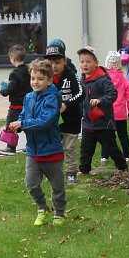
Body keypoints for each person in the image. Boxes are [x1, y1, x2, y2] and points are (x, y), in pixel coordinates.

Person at [8, 59, 66, 226]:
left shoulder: (52, 98)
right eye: (33, 78)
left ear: (49, 80)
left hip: (51, 149)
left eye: (40, 79)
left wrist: (24, 123)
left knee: (57, 185)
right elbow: (24, 114)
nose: (35, 82)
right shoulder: (28, 97)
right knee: (31, 184)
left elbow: (46, 120)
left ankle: (59, 213)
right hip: (33, 150)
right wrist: (18, 124)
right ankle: (42, 208)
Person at [77, 46, 127, 175]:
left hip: (103, 122)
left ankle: (122, 167)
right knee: (86, 148)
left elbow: (113, 94)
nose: (85, 64)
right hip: (88, 122)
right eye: (82, 62)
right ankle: (84, 169)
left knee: (111, 146)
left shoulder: (103, 79)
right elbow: (82, 98)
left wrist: (100, 100)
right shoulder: (82, 79)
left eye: (88, 61)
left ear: (96, 63)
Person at [44, 38, 83, 184]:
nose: (54, 66)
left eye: (57, 62)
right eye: (50, 63)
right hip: (54, 120)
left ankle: (71, 172)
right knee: (53, 147)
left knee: (69, 147)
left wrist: (67, 104)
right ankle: (53, 173)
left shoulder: (71, 75)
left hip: (72, 120)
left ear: (64, 61)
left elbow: (81, 93)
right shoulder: (46, 77)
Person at [102, 50, 129, 162]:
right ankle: (127, 156)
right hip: (120, 113)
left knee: (107, 135)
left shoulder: (104, 79)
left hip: (107, 113)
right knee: (123, 135)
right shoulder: (124, 80)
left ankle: (104, 156)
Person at [0, 44, 31, 155]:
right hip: (27, 104)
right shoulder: (29, 70)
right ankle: (31, 145)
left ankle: (11, 147)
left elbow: (11, 89)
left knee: (11, 125)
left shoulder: (14, 74)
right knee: (27, 125)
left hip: (16, 105)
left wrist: (3, 91)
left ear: (12, 58)